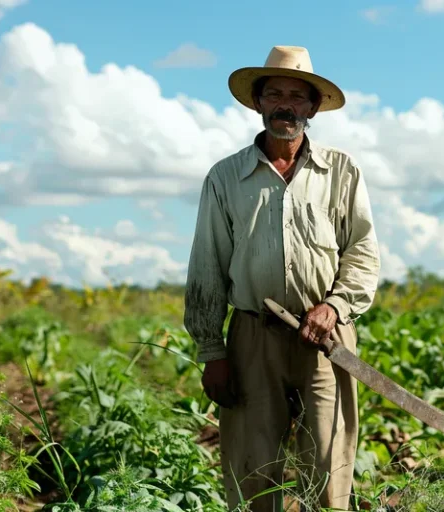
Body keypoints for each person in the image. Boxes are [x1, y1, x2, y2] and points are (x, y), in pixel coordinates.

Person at [183, 45, 381, 511]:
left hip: (327, 339)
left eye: (297, 95)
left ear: (312, 108)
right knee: (252, 472)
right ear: (259, 102)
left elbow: (363, 253)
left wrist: (333, 307)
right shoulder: (226, 177)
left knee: (330, 471)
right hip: (254, 335)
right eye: (275, 94)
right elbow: (207, 266)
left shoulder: (341, 172)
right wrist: (212, 351)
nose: (285, 104)